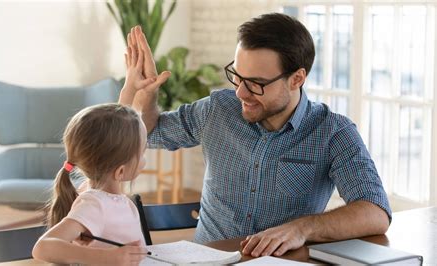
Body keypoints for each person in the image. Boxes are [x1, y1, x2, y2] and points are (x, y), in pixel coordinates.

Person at [121, 13, 392, 259]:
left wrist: (302, 228)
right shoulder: (218, 109)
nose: (240, 92)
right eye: (238, 77)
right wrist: (146, 94)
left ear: (297, 79)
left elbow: (375, 212)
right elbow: (150, 134)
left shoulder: (333, 133)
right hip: (207, 259)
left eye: (256, 84)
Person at [32, 38, 162, 265]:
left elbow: (115, 133)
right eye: (142, 152)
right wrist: (106, 258)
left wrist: (130, 88)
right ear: (120, 171)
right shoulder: (94, 203)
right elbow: (43, 248)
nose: (144, 158)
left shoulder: (101, 191)